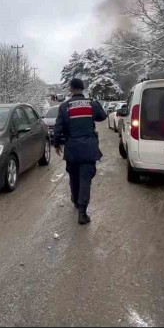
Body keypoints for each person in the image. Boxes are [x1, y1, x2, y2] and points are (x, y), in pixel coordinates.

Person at [53, 78, 107, 225]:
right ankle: (82, 213)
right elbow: (103, 116)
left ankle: (76, 200)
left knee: (74, 176)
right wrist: (95, 103)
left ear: (71, 89)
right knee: (85, 179)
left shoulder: (64, 107)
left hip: (72, 149)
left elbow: (58, 128)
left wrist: (56, 144)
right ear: (83, 89)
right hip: (89, 148)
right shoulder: (91, 104)